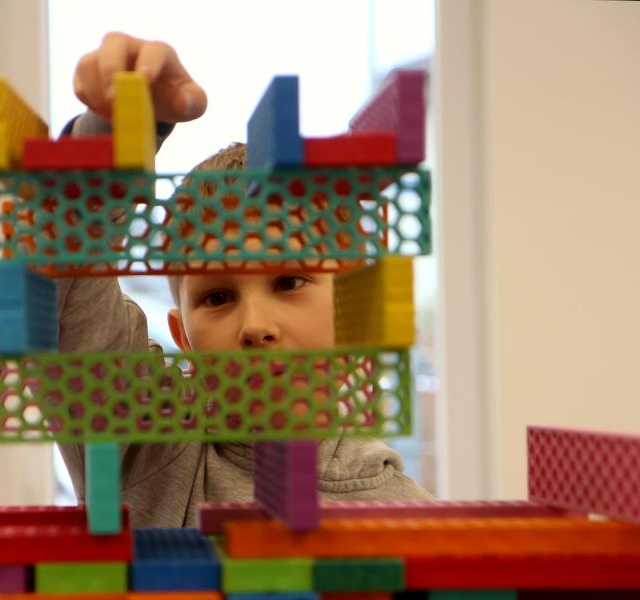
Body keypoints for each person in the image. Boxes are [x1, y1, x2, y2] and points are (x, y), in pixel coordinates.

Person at [56, 32, 433, 528]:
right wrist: (110, 136)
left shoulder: (408, 514)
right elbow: (65, 297)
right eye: (217, 296)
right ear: (184, 337)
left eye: (288, 282)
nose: (255, 326)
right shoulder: (147, 445)